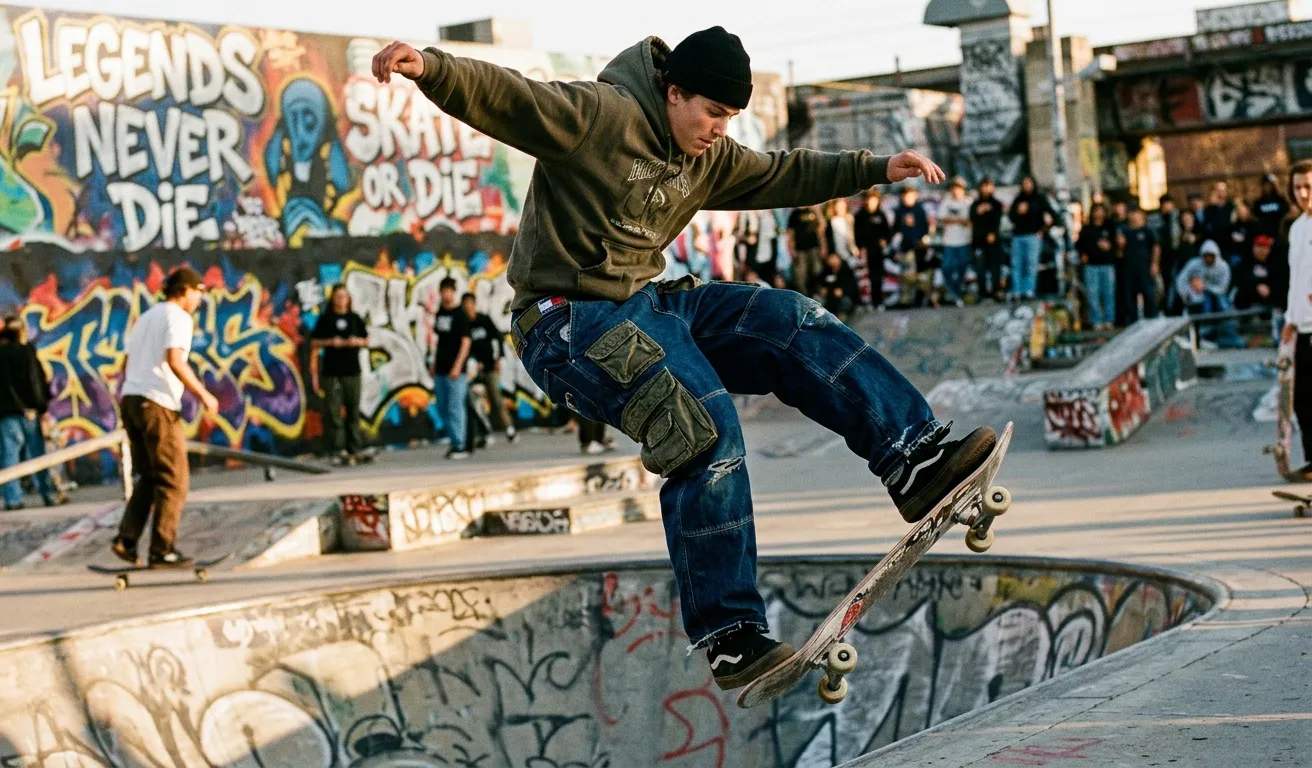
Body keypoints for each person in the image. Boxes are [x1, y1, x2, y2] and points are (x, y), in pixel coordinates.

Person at [372, 26, 995, 690]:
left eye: (730, 120)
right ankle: (729, 635)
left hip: (648, 305)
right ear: (673, 91)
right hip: (567, 321)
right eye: (712, 114)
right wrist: (430, 68)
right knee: (699, 422)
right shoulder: (600, 115)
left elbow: (782, 171)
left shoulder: (711, 157)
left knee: (789, 319)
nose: (719, 132)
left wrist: (874, 167)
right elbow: (513, 97)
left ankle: (914, 459)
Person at [110, 267, 219, 567]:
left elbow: (126, 363)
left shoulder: (146, 317)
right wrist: (204, 395)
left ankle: (126, 540)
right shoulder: (179, 317)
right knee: (175, 479)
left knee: (149, 476)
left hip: (132, 400)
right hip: (156, 404)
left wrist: (137, 385)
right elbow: (175, 359)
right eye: (198, 293)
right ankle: (162, 549)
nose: (199, 300)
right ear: (184, 291)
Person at [0, 317, 67, 509]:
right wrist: (42, 406)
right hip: (28, 410)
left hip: (5, 412)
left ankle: (13, 499)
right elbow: (34, 380)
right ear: (20, 331)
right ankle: (47, 494)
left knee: (9, 456)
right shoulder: (25, 352)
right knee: (37, 455)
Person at [308, 285, 369, 466]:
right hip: (332, 372)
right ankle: (338, 448)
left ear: (348, 299)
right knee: (334, 412)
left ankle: (355, 447)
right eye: (338, 296)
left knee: (353, 410)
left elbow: (366, 340)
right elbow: (314, 342)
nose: (341, 300)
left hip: (352, 371)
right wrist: (330, 342)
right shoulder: (325, 319)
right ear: (333, 299)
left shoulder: (355, 319)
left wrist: (354, 341)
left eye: (344, 296)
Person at [1282, 161, 1312, 476]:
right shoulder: (1297, 227)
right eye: (1298, 188)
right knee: (1302, 398)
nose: (1303, 194)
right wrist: (1289, 320)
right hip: (1302, 324)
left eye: (1308, 187)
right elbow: (1296, 278)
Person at [463, 293, 518, 447]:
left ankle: (509, 429)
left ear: (474, 304)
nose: (468, 307)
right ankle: (486, 433)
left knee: (496, 398)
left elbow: (496, 339)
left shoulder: (484, 320)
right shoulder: (465, 324)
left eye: (470, 303)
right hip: (474, 371)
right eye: (465, 304)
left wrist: (497, 359)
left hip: (489, 367)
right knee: (476, 403)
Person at [431, 277, 471, 460]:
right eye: (443, 290)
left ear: (453, 292)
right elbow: (439, 341)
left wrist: (458, 365)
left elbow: (465, 342)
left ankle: (459, 445)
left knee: (455, 407)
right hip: (440, 368)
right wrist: (433, 363)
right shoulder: (440, 313)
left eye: (449, 291)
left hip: (455, 371)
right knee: (442, 406)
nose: (446, 294)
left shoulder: (460, 315)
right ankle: (454, 440)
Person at [1116, 206, 1162, 325]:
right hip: (1129, 269)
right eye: (1131, 213)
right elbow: (1119, 254)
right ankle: (1133, 322)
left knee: (1149, 295)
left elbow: (1156, 247)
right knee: (1130, 297)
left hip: (1145, 269)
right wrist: (1120, 245)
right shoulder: (1124, 231)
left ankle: (1151, 320)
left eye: (1136, 213)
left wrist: (1155, 264)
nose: (1134, 216)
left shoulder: (1148, 231)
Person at [892, 184, 936, 307]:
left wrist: (925, 239)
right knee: (906, 275)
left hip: (921, 248)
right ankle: (905, 300)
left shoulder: (921, 210)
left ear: (915, 196)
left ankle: (921, 297)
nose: (907, 198)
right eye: (905, 196)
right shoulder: (898, 211)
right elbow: (895, 231)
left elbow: (929, 228)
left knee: (923, 275)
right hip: (906, 248)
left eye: (910, 195)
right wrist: (896, 248)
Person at [1008, 175, 1050, 300]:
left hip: (1033, 236)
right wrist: (1018, 211)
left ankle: (1029, 290)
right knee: (1016, 264)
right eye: (1024, 183)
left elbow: (1051, 216)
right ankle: (1017, 290)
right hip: (1018, 235)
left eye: (1029, 183)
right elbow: (1011, 217)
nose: (1026, 185)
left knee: (1031, 264)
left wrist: (1043, 231)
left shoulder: (1039, 199)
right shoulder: (1018, 199)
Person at [1077, 205, 1118, 329]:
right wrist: (1083, 254)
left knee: (1108, 293)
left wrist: (1110, 246)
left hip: (1107, 265)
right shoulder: (1087, 229)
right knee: (1093, 294)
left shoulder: (1110, 227)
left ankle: (1109, 319)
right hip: (1091, 266)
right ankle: (1096, 320)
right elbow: (1079, 244)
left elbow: (1117, 244)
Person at [854, 189, 893, 310]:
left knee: (878, 276)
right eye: (870, 200)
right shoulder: (860, 215)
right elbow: (857, 233)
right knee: (866, 277)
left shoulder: (881, 214)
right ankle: (866, 302)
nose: (872, 202)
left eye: (874, 200)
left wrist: (885, 240)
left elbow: (887, 232)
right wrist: (860, 247)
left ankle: (878, 301)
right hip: (865, 250)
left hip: (878, 250)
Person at [938, 177, 973, 307]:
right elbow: (942, 219)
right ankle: (953, 292)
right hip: (949, 241)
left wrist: (953, 220)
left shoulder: (968, 203)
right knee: (947, 267)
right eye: (954, 188)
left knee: (962, 266)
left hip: (964, 240)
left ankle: (956, 292)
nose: (956, 191)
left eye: (958, 188)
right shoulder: (946, 202)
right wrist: (960, 220)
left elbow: (969, 221)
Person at [971, 177, 1006, 302]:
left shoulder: (996, 204)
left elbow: (997, 220)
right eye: (984, 186)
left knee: (995, 267)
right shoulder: (975, 204)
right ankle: (982, 293)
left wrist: (993, 233)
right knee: (980, 268)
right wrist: (978, 212)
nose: (986, 189)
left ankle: (996, 292)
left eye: (989, 186)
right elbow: (972, 218)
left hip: (993, 241)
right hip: (979, 241)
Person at [1235, 233, 1288, 311]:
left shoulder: (1275, 264)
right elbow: (1241, 280)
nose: (1261, 250)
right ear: (1253, 248)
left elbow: (1279, 282)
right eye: (1258, 247)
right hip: (1249, 302)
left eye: (1264, 247)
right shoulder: (1245, 264)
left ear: (1269, 249)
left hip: (1270, 303)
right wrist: (1256, 286)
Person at [786, 205, 826, 297]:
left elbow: (821, 228)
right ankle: (804, 296)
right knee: (801, 276)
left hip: (814, 248)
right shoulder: (795, 214)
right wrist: (791, 249)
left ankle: (817, 295)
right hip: (800, 250)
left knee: (817, 271)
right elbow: (790, 233)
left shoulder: (814, 212)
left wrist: (817, 212)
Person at [815, 250, 859, 319]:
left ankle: (842, 314)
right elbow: (819, 281)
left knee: (846, 302)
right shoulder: (826, 270)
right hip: (829, 297)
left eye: (834, 258)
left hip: (844, 297)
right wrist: (821, 288)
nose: (832, 261)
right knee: (817, 301)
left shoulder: (846, 270)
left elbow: (852, 286)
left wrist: (843, 290)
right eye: (830, 259)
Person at [1253, 172, 1290, 238]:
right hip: (1264, 237)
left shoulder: (1281, 200)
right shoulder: (1258, 202)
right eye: (1265, 185)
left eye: (1270, 185)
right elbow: (1256, 217)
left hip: (1279, 235)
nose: (1267, 187)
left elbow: (1285, 215)